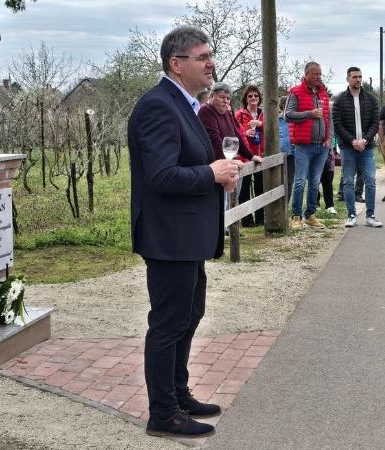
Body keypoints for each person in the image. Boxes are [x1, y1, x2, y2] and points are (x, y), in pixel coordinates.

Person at [128, 26, 242, 438]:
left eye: (210, 55)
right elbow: (161, 175)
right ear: (176, 64)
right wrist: (210, 173)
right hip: (168, 236)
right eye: (202, 56)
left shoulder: (185, 104)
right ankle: (163, 414)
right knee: (168, 323)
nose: (211, 62)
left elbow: (187, 166)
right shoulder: (158, 105)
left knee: (189, 316)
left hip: (187, 235)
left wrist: (219, 177)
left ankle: (178, 395)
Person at [198, 82, 262, 213]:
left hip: (228, 160)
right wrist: (229, 163)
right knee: (219, 203)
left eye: (228, 98)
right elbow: (214, 139)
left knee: (229, 200)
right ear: (212, 96)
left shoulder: (227, 112)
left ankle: (225, 229)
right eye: (222, 97)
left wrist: (250, 155)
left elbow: (236, 135)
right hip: (214, 163)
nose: (225, 101)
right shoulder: (206, 111)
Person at [332, 66, 382, 227]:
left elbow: (375, 123)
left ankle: (370, 215)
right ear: (348, 79)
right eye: (354, 77)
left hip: (366, 148)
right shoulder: (340, 100)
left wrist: (365, 141)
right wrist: (353, 141)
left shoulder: (371, 99)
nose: (358, 80)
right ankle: (351, 215)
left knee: (371, 180)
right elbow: (338, 125)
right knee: (347, 181)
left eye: (360, 77)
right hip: (348, 148)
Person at [286, 61, 331, 229]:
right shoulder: (295, 92)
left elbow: (328, 118)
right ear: (306, 74)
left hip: (322, 146)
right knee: (300, 181)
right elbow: (288, 115)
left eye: (320, 74)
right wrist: (309, 114)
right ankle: (296, 216)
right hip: (303, 145)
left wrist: (328, 138)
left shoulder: (323, 93)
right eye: (315, 74)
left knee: (315, 181)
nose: (318, 77)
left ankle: (310, 215)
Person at [234, 85, 266, 227]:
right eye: (250, 96)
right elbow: (234, 132)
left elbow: (273, 129)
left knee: (260, 188)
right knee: (244, 190)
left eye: (256, 96)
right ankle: (247, 221)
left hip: (261, 155)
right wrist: (246, 134)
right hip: (245, 157)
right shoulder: (239, 114)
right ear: (245, 98)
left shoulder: (264, 114)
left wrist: (261, 124)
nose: (253, 98)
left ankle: (260, 219)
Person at [278, 95, 295, 203]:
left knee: (289, 181)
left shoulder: (295, 119)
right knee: (278, 181)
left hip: (292, 154)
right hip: (279, 154)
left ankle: (285, 205)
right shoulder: (277, 120)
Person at [319, 131, 338, 215]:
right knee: (314, 181)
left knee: (328, 181)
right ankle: (315, 204)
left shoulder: (329, 119)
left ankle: (330, 206)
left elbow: (333, 134)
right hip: (314, 149)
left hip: (328, 151)